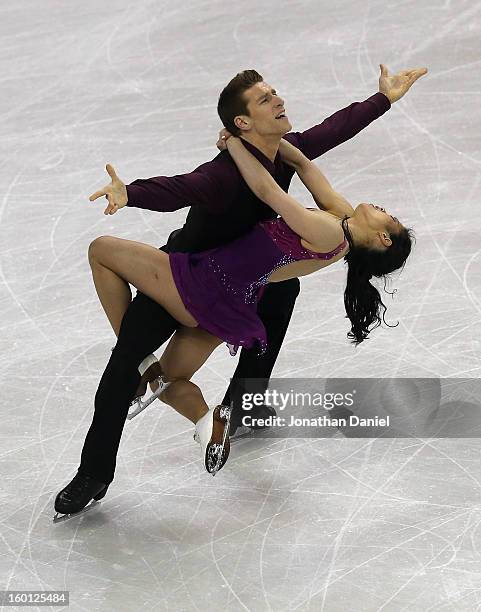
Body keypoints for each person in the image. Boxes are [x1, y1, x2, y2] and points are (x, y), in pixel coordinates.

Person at [54, 64, 426, 519]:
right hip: (182, 273)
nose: (279, 100)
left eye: (274, 93)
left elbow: (319, 144)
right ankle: (94, 473)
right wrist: (130, 193)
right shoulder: (226, 175)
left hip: (219, 283)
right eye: (267, 98)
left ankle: (242, 402)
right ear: (246, 121)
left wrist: (380, 101)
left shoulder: (283, 164)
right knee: (124, 373)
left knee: (280, 294)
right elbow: (181, 188)